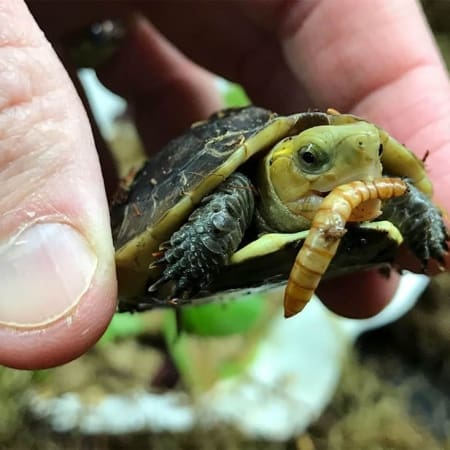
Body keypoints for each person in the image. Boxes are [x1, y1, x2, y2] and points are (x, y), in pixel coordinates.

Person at [0, 0, 448, 369]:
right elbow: (230, 195)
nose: (356, 175)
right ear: (274, 173)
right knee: (229, 196)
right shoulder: (235, 196)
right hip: (186, 239)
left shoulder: (378, 194)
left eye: (368, 160)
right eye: (311, 161)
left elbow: (404, 193)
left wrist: (425, 223)